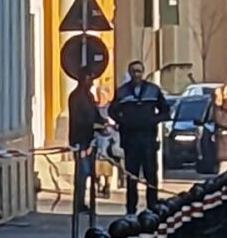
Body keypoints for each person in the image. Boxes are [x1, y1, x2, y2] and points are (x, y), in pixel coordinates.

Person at [110, 60, 172, 210]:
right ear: (130, 73)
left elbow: (166, 111)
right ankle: (131, 208)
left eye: (139, 71)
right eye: (134, 71)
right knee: (132, 177)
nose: (136, 74)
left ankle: (152, 206)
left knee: (151, 175)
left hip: (148, 140)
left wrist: (152, 120)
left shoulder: (153, 90)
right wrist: (124, 121)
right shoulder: (122, 92)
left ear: (143, 73)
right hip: (130, 141)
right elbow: (112, 111)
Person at [67, 78, 106, 215]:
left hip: (90, 139)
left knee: (89, 172)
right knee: (82, 173)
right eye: (89, 80)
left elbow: (95, 114)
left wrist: (103, 122)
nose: (91, 83)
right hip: (80, 140)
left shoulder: (89, 96)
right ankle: (79, 203)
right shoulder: (76, 97)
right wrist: (93, 125)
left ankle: (87, 202)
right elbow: (79, 120)